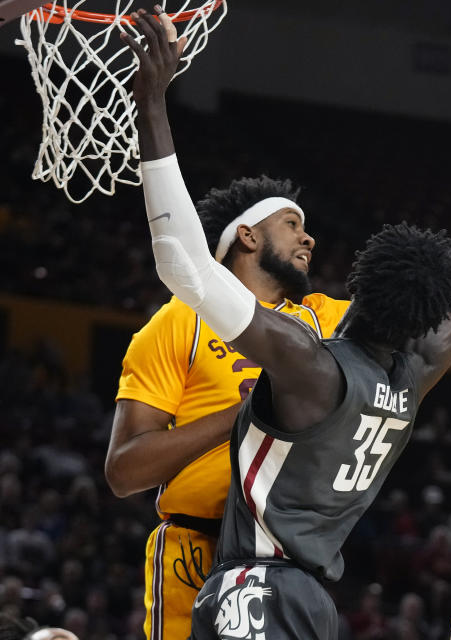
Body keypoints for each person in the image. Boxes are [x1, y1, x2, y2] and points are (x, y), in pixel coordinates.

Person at [120, 8, 451, 638]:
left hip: (254, 586)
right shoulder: (416, 368)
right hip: (311, 595)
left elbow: (183, 264)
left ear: (361, 289)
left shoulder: (309, 361)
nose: (311, 239)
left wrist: (152, 105)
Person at [104, 54, 352, 640]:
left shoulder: (322, 319)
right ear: (247, 235)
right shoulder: (179, 323)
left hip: (289, 561)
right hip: (197, 543)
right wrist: (242, 415)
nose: (309, 235)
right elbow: (124, 472)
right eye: (293, 223)